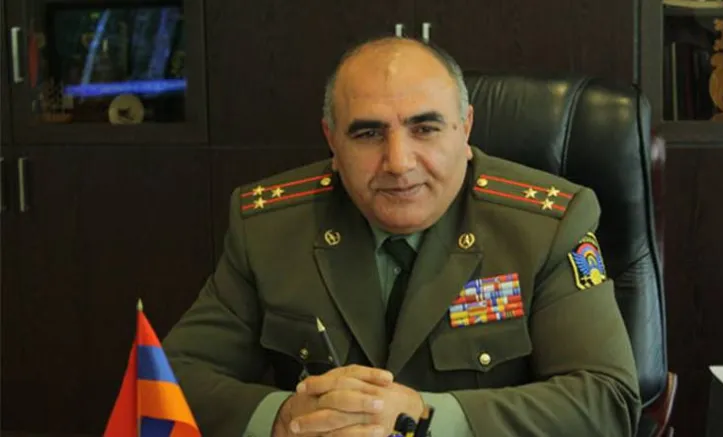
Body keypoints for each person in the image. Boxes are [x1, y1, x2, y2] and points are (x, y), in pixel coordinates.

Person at [162, 36, 641, 437]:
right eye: (368, 134)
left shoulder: (547, 224)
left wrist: (427, 417)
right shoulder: (268, 226)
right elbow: (169, 380)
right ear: (332, 142)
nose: (398, 162)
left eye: (425, 128)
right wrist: (283, 417)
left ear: (465, 129)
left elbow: (606, 398)